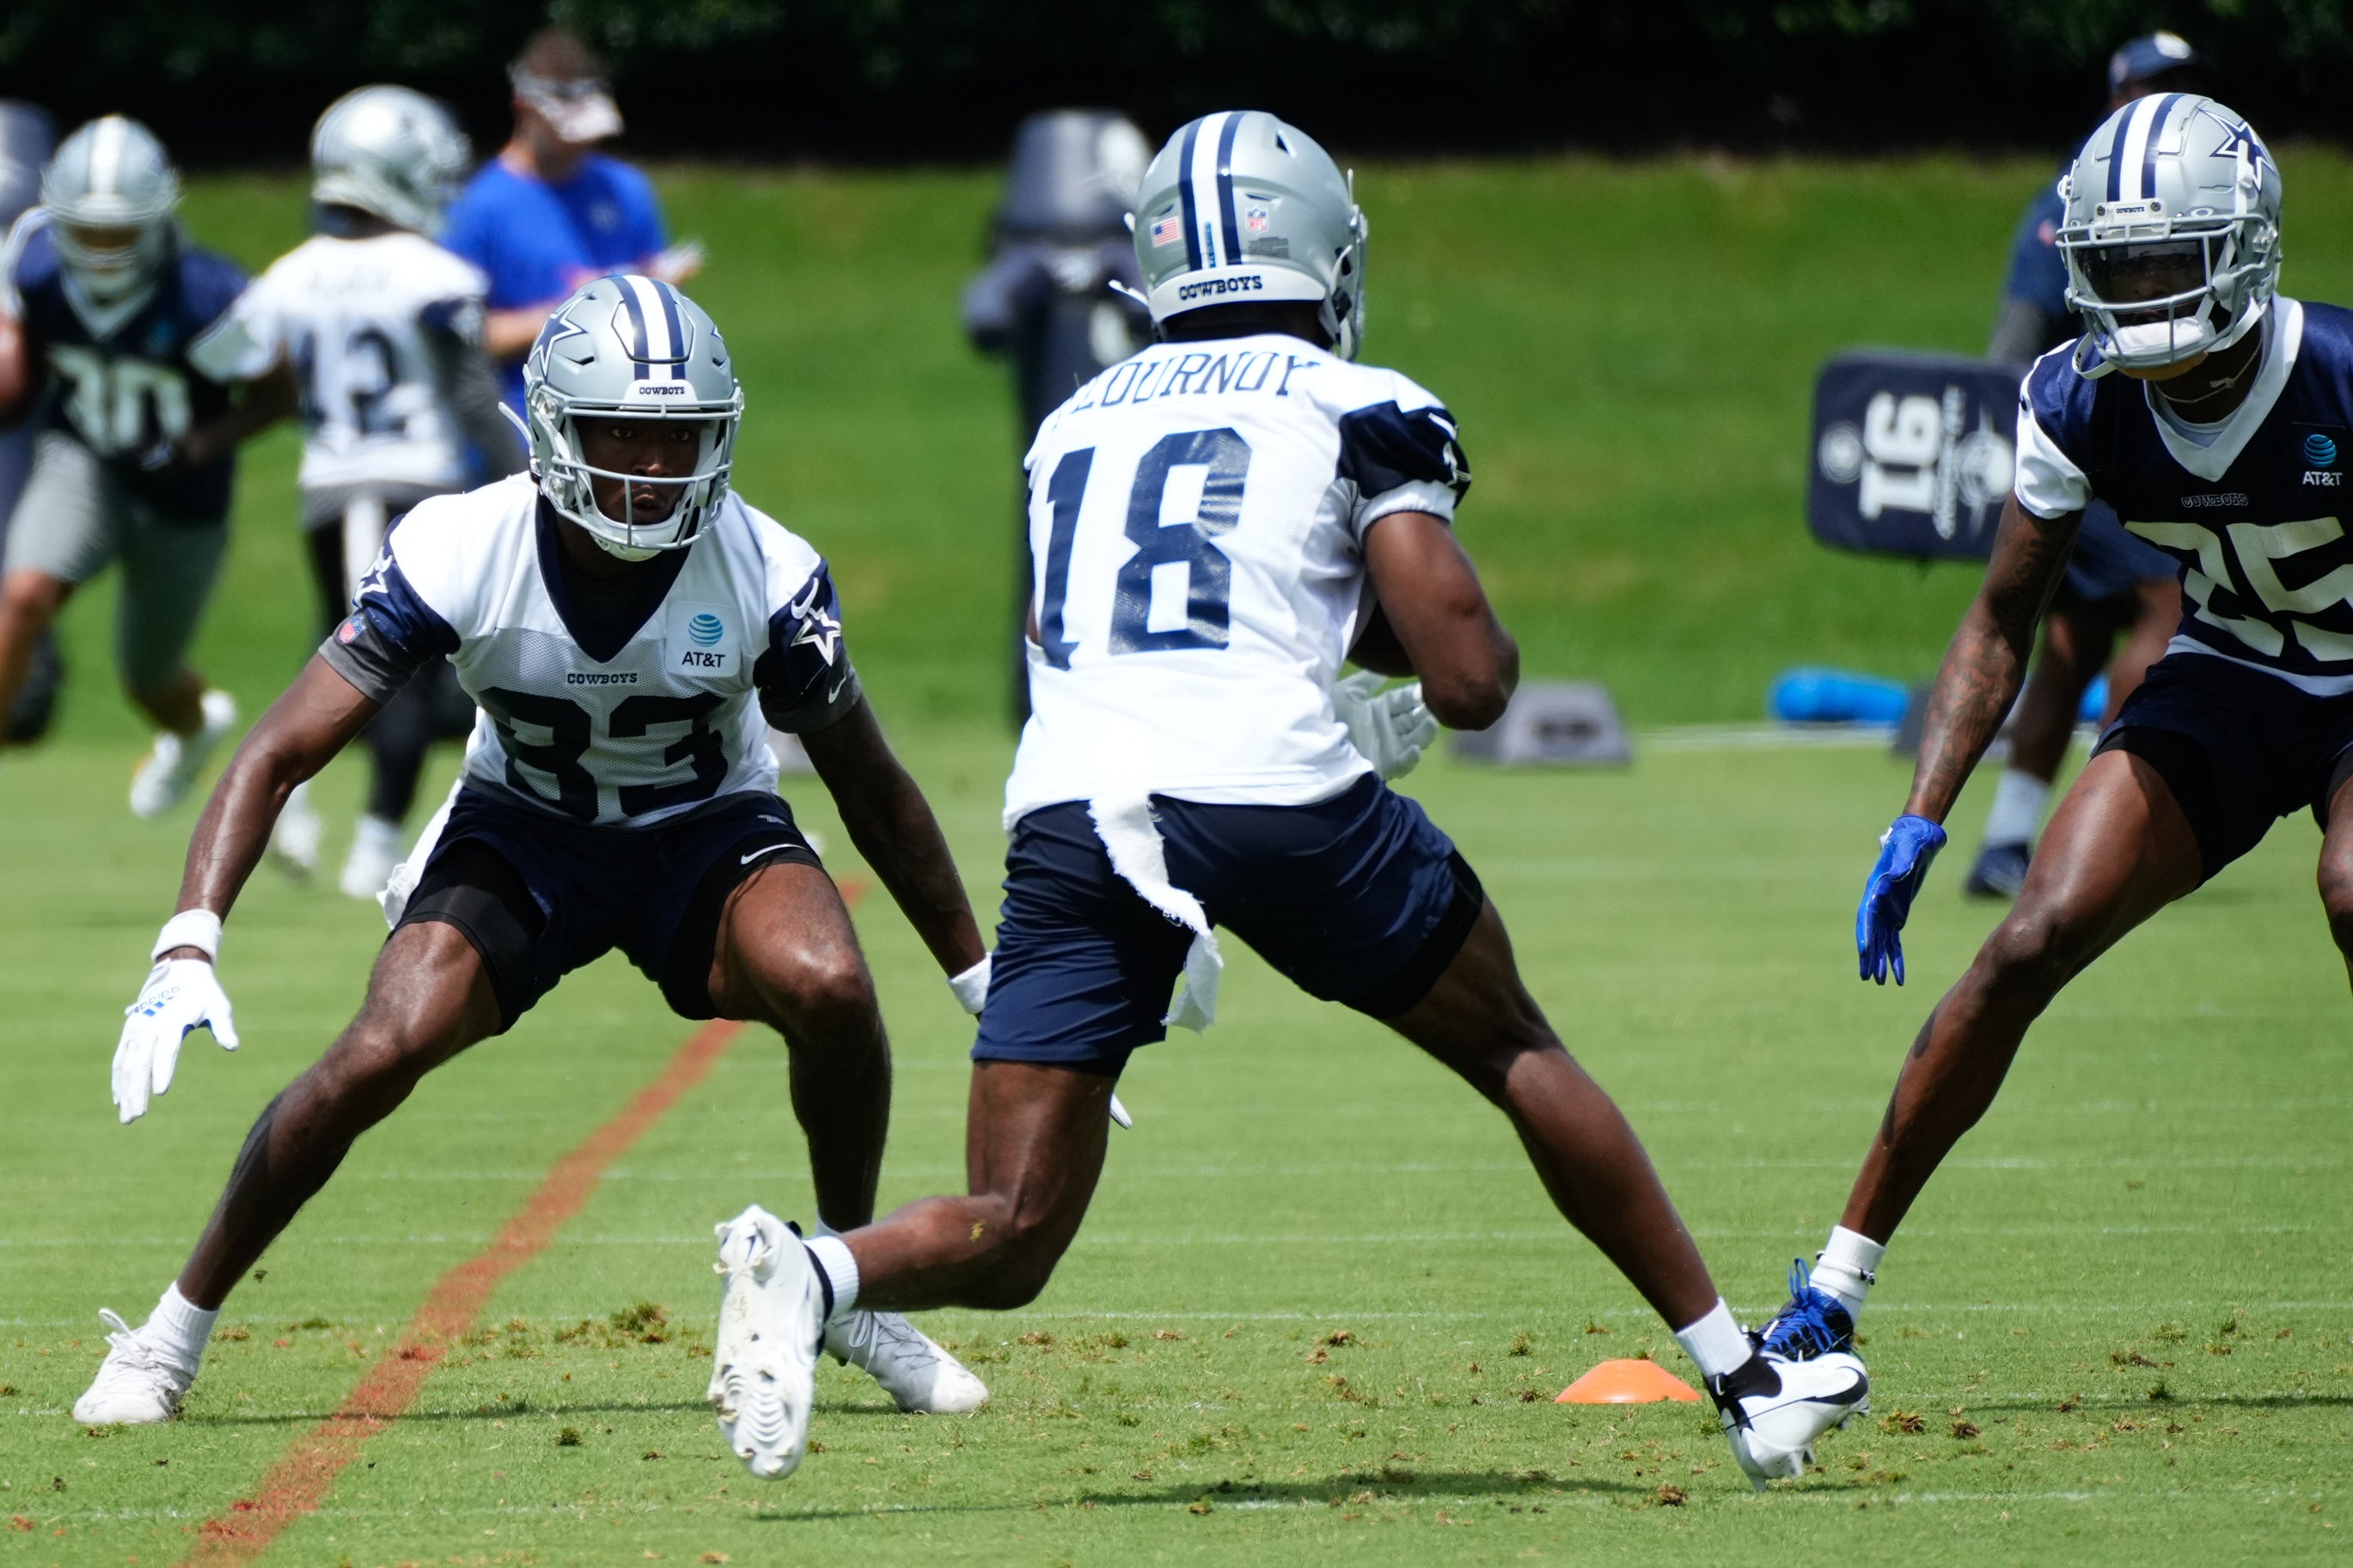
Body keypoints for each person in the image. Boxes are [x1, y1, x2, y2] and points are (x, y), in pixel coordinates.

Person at [696, 111, 1870, 1488]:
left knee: (1011, 1228)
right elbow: (1473, 677)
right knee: (1514, 1048)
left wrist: (1335, 659)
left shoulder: (1075, 417)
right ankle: (1746, 1379)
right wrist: (1412, 689)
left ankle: (818, 1272)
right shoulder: (1351, 401)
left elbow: (1150, 605)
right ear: (1317, 245)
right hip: (1271, 792)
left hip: (1074, 806)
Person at [72, 276, 989, 1428]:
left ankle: (847, 1289)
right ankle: (168, 1336)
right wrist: (188, 941)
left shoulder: (767, 566)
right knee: (377, 1049)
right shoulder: (465, 544)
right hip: (523, 829)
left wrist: (973, 969)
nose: (657, 470)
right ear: (556, 428)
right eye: (624, 437)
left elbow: (869, 782)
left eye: (681, 441)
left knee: (834, 985)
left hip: (702, 829)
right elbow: (276, 750)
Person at [1757, 98, 2344, 1379]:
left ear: (2241, 251)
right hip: (2234, 669)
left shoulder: (2341, 378)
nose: (2134, 294)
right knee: (2029, 933)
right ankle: (1830, 1292)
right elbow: (1997, 620)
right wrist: (1921, 811)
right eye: (2115, 265)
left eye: (2163, 261)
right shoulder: (2074, 399)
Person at [210, 85, 523, 894]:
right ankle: (369, 846)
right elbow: (470, 396)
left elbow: (228, 367)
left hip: (326, 487)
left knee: (346, 649)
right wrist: (533, 478)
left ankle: (306, 806)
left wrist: (210, 435)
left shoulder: (290, 275)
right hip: (409, 487)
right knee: (398, 667)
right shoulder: (434, 272)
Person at [1962, 33, 2208, 898]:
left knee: (2067, 646)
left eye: (2177, 87)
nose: (2161, 101)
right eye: (2148, 86)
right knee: (2166, 606)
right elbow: (2015, 348)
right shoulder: (2070, 201)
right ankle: (2112, 832)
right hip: (2088, 449)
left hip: (2136, 451)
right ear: (2112, 98)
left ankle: (2004, 842)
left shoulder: (2201, 191)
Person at [0, 116, 296, 812]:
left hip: (182, 492)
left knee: (148, 675)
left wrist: (196, 444)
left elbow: (278, 394)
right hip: (85, 458)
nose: (103, 250)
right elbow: (26, 356)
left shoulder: (207, 296)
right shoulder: (36, 259)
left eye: (119, 232)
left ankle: (196, 730)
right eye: (90, 231)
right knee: (21, 597)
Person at [442, 27, 699, 412]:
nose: (583, 142)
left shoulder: (625, 189)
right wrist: (581, 310)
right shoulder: (478, 207)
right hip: (522, 428)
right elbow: (460, 343)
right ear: (524, 107)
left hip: (626, 418)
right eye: (568, 130)